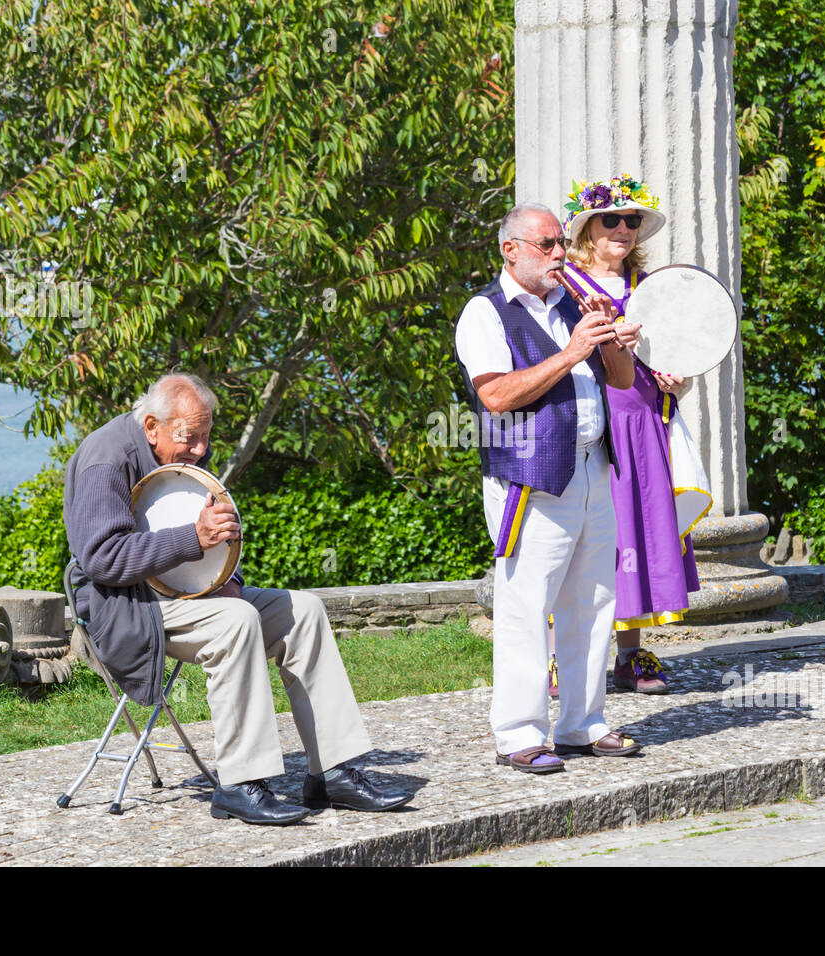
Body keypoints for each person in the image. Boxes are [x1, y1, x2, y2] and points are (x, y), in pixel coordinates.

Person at [63, 373, 410, 823]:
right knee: (236, 620)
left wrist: (229, 577)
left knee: (304, 611)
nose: (201, 450)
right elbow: (102, 558)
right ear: (152, 427)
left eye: (207, 436)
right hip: (126, 604)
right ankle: (240, 783)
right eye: (192, 438)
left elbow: (217, 528)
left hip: (189, 594)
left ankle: (332, 772)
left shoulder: (180, 446)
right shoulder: (105, 458)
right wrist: (193, 539)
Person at [454, 202, 643, 773]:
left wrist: (611, 339)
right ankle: (519, 734)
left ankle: (582, 724)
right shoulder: (484, 313)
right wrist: (571, 352)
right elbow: (495, 396)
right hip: (529, 479)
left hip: (590, 466)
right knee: (527, 605)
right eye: (546, 244)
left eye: (561, 242)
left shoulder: (571, 303)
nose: (561, 253)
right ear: (510, 250)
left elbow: (623, 380)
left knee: (591, 601)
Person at [559, 174, 713, 693]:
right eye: (612, 220)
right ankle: (566, 656)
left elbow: (678, 355)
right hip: (593, 419)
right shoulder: (566, 290)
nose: (624, 229)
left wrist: (680, 378)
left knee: (638, 530)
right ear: (588, 230)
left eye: (633, 221)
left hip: (646, 418)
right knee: (583, 536)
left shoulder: (653, 291)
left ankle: (630, 653)